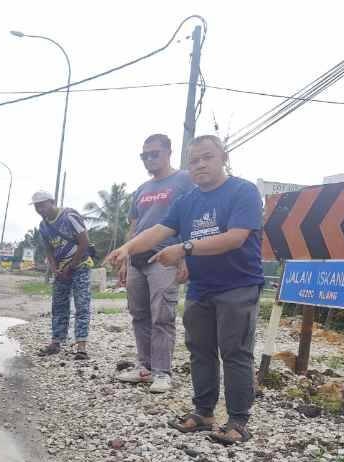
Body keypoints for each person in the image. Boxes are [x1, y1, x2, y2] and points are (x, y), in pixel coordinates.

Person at [105, 136, 264, 444]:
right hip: (201, 288)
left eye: (207, 157)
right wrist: (127, 247)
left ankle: (238, 421)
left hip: (238, 285)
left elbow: (236, 238)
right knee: (200, 351)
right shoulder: (187, 200)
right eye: (194, 160)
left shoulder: (243, 191)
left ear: (223, 158)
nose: (200, 164)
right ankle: (203, 412)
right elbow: (158, 231)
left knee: (235, 353)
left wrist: (184, 248)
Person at [117, 134, 195, 393]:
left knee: (162, 316)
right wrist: (125, 260)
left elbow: (193, 216)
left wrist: (185, 256)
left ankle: (163, 372)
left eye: (155, 153)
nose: (149, 159)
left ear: (168, 152)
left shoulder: (184, 179)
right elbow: (133, 226)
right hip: (137, 259)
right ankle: (145, 367)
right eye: (145, 155)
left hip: (165, 256)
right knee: (139, 314)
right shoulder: (141, 189)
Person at [32, 190, 94, 360]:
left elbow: (84, 242)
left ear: (52, 202)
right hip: (61, 270)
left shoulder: (69, 216)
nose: (39, 209)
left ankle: (81, 346)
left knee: (82, 305)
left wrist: (71, 265)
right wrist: (54, 268)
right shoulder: (43, 225)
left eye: (42, 205)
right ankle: (56, 342)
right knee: (58, 306)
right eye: (37, 206)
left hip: (80, 266)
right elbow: (48, 250)